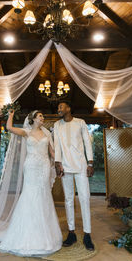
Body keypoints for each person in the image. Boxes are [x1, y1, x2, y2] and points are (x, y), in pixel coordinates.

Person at [0, 109, 62, 256]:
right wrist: (11, 116)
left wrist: (60, 162)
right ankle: (26, 232)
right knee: (30, 194)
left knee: (43, 194)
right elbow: (9, 128)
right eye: (40, 116)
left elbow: (52, 152)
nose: (43, 118)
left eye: (43, 116)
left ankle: (44, 232)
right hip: (31, 166)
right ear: (33, 119)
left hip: (44, 166)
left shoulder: (47, 133)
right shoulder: (26, 132)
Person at [54, 101, 95, 251]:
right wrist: (57, 164)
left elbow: (87, 143)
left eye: (61, 107)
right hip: (65, 167)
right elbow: (57, 145)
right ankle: (71, 233)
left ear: (69, 109)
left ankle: (87, 234)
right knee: (69, 200)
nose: (58, 109)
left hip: (81, 166)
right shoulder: (57, 125)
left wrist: (90, 163)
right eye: (58, 107)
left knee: (84, 198)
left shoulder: (80, 123)